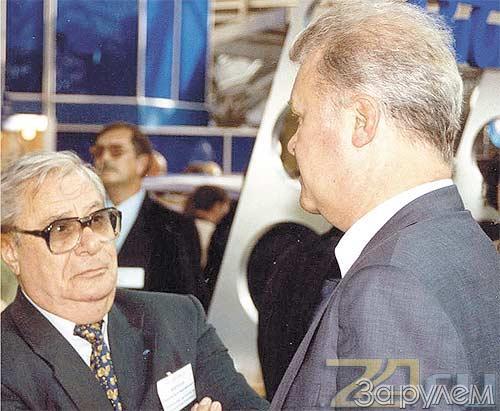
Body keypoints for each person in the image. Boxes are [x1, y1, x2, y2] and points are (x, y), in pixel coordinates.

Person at [271, 1, 500, 409]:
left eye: (301, 117)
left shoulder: (389, 287)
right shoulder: (466, 245)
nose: (293, 143)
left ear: (362, 121)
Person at [0, 151, 268, 411]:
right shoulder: (7, 360)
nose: (92, 244)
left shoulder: (178, 320)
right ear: (10, 251)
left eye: (97, 220)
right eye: (61, 229)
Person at [91, 122, 208, 308]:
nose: (104, 158)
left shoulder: (176, 227)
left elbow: (188, 303)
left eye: (116, 151)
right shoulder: (80, 220)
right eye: (98, 152)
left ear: (142, 163)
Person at [185, 186, 230, 269]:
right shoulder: (213, 233)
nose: (227, 210)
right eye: (226, 204)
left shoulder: (181, 227)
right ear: (217, 206)